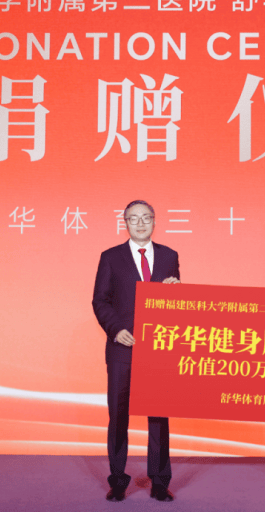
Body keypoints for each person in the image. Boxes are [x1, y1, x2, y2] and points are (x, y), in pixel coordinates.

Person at [92, 200, 181, 502]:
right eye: (134, 218)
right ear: (125, 223)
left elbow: (174, 303)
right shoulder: (110, 257)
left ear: (154, 221)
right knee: (118, 415)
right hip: (122, 347)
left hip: (158, 349)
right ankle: (118, 480)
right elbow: (100, 300)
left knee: (159, 417)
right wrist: (116, 329)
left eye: (146, 218)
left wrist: (176, 292)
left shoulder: (169, 256)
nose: (141, 223)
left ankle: (160, 481)